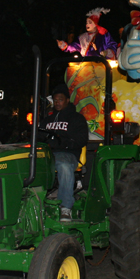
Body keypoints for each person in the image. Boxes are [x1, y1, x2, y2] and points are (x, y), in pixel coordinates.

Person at [38, 83, 89, 222]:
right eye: (55, 100)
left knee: (63, 165)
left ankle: (65, 207)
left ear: (67, 100)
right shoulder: (46, 121)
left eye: (60, 99)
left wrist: (62, 141)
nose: (57, 102)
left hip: (67, 154)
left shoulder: (77, 119)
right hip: (46, 155)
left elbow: (81, 139)